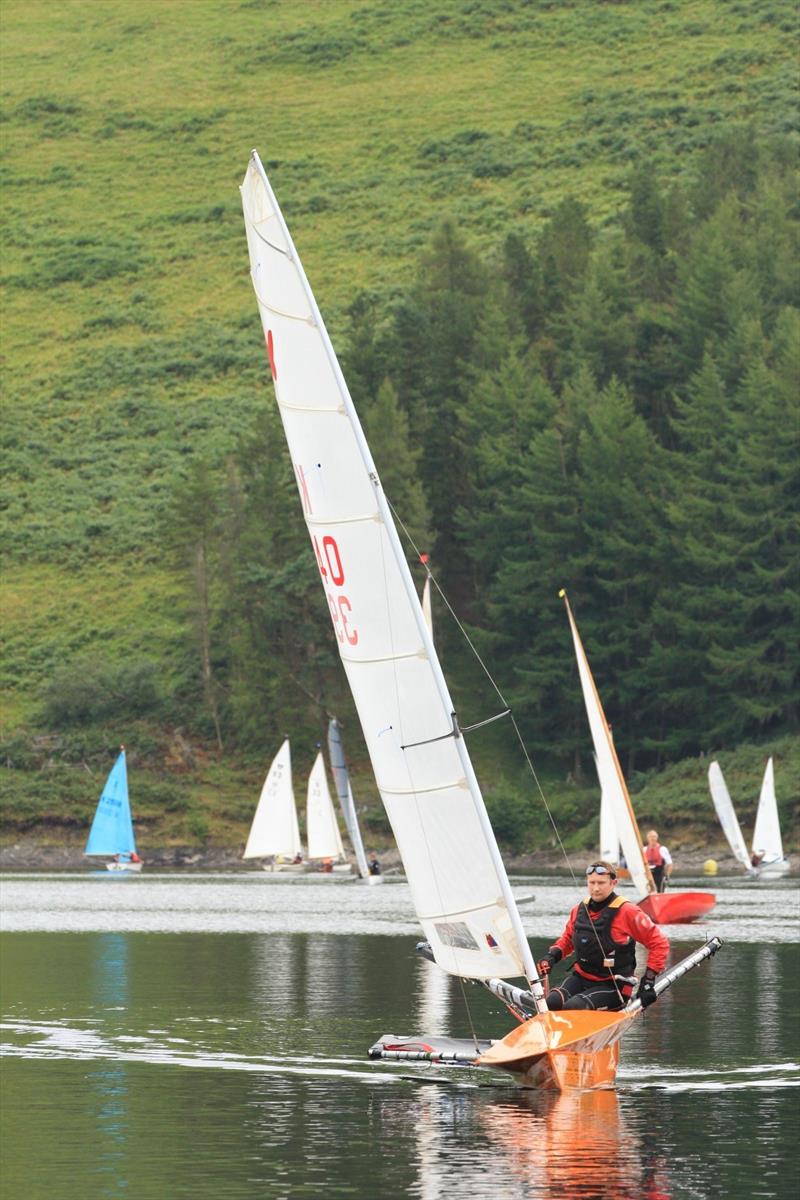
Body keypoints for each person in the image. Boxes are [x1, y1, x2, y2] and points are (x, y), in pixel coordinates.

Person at [537, 861, 669, 1011]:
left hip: (614, 986)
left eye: (601, 883)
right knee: (550, 1004)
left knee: (574, 1006)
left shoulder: (628, 912)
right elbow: (567, 940)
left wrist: (649, 980)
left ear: (613, 883)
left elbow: (659, 943)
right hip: (581, 979)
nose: (596, 888)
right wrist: (551, 956)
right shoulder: (578, 910)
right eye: (591, 882)